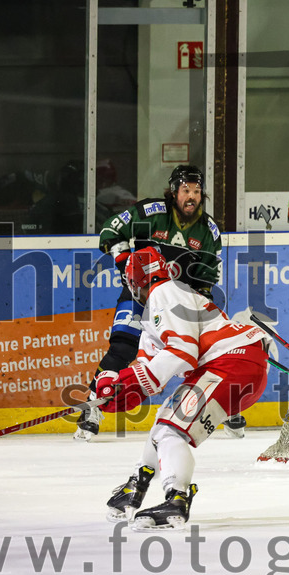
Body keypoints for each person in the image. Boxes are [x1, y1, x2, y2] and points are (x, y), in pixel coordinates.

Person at [100, 247, 271, 530]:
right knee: (165, 419)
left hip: (229, 363)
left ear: (133, 281)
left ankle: (176, 500)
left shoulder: (164, 293)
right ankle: (136, 483)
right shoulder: (162, 304)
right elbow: (148, 367)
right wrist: (119, 388)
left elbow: (182, 352)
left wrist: (133, 382)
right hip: (236, 367)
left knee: (171, 431)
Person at [75, 164, 231, 441]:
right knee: (123, 345)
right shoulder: (151, 212)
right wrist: (124, 263)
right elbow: (111, 230)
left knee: (205, 350)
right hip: (140, 295)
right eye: (186, 190)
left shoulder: (208, 230)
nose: (192, 196)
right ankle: (92, 406)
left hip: (178, 302)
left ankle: (228, 407)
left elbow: (208, 277)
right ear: (174, 192)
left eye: (196, 191)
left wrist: (200, 307)